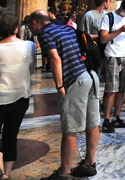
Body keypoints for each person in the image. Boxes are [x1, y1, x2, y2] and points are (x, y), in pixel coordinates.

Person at [30, 10, 100, 180]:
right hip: (90, 75)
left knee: (70, 129)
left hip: (75, 79)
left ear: (34, 23)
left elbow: (55, 59)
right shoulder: (67, 28)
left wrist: (60, 84)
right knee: (92, 123)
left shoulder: (44, 33)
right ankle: (88, 165)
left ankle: (64, 172)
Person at [0, 15, 34, 180]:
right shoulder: (29, 45)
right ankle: (8, 173)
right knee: (10, 135)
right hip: (22, 96)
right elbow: (31, 69)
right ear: (15, 29)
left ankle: (0, 174)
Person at [99, 0, 125, 133]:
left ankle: (117, 117)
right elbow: (103, 39)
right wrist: (120, 30)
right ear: (121, 7)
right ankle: (106, 120)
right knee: (111, 89)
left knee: (123, 88)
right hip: (112, 55)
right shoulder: (108, 17)